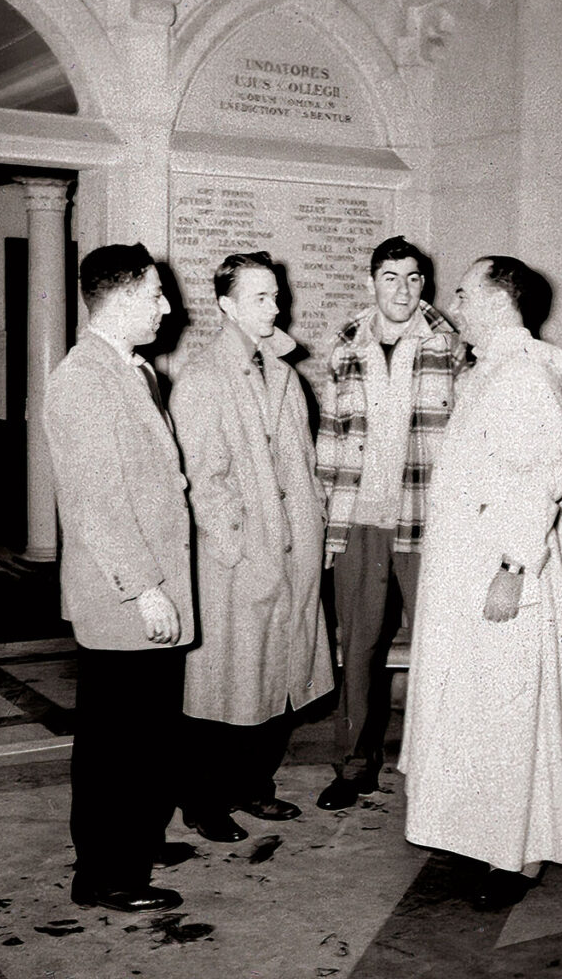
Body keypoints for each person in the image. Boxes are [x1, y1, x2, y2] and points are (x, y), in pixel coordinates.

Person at [399, 255, 562, 911]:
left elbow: (540, 478)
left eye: (463, 290)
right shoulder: (491, 369)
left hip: (506, 576)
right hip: (469, 573)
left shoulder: (525, 375)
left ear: (498, 298)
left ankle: (519, 855)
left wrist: (512, 569)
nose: (452, 301)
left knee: (513, 715)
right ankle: (486, 836)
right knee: (482, 712)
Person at [43, 243, 195, 914]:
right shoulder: (83, 377)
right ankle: (103, 873)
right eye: (156, 293)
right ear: (122, 295)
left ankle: (136, 839)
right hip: (124, 594)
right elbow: (96, 501)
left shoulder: (129, 369)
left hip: (148, 587)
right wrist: (145, 587)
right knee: (114, 741)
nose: (167, 306)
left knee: (145, 732)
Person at [169, 250, 333, 843]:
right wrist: (237, 544)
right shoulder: (203, 376)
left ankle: (252, 786)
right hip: (236, 558)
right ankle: (202, 799)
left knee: (278, 674)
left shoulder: (283, 372)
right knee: (223, 682)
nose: (275, 306)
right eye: (261, 297)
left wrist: (310, 525)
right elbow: (201, 477)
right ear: (227, 305)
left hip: (291, 550)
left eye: (276, 295)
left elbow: (305, 463)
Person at [315, 236, 467, 811]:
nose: (401, 289)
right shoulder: (346, 348)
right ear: (371, 282)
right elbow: (329, 440)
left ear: (423, 283)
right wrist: (330, 527)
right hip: (360, 523)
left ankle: (442, 767)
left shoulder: (451, 346)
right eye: (390, 277)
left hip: (427, 524)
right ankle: (354, 766)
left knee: (441, 647)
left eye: (412, 277)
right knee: (357, 648)